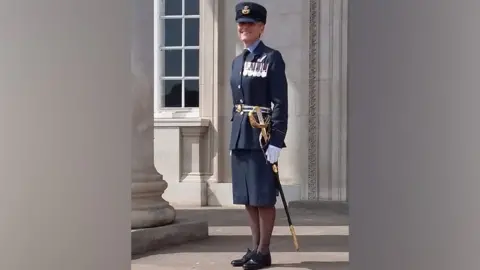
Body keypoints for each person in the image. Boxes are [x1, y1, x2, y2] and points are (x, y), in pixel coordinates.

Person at [228, 2, 288, 269]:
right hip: (240, 134)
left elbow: (280, 102)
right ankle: (254, 248)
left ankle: (264, 251)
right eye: (241, 23)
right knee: (247, 196)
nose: (244, 27)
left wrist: (276, 139)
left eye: (250, 23)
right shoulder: (237, 61)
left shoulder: (271, 58)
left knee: (263, 196)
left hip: (262, 136)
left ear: (261, 27)